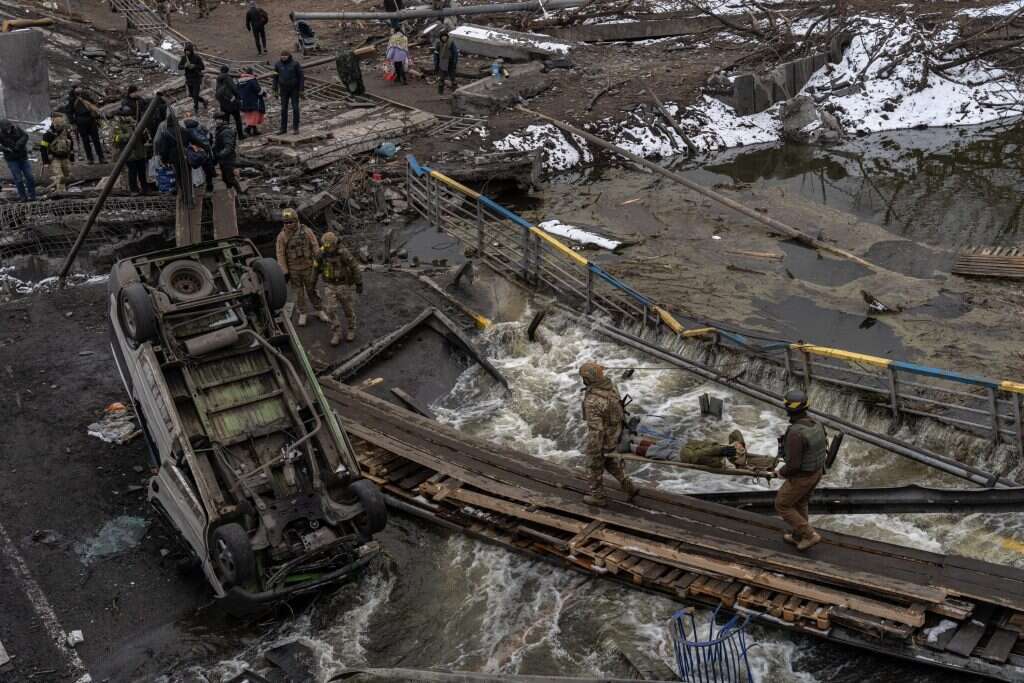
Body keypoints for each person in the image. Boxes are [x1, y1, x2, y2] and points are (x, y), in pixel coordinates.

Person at [579, 361, 638, 507]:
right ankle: (628, 485)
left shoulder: (592, 401)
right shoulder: (612, 387)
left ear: (587, 379)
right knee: (611, 462)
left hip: (604, 438)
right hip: (616, 434)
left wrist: (594, 451)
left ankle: (598, 497)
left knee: (594, 465)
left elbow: (596, 430)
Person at [774, 389, 827, 551]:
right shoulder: (816, 424)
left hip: (802, 477)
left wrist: (781, 472)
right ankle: (799, 535)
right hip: (816, 472)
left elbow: (794, 465)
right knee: (800, 503)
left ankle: (810, 535)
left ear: (789, 408)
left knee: (782, 504)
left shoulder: (795, 433)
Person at [275, 208, 326, 326]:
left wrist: (319, 262)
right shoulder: (282, 236)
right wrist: (284, 271)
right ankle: (303, 313)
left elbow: (315, 246)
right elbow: (280, 254)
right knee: (298, 294)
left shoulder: (306, 231)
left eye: (290, 222)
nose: (288, 224)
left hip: (308, 267)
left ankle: (319, 310)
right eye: (285, 222)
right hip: (294, 270)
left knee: (312, 290)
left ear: (296, 220)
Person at [315, 231, 363, 345]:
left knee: (348, 309)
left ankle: (351, 328)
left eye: (329, 246)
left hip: (343, 284)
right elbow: (315, 269)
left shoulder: (343, 253)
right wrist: (311, 284)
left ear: (335, 244)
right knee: (330, 309)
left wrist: (359, 283)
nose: (327, 249)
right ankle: (337, 331)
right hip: (330, 285)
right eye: (325, 246)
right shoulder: (321, 253)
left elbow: (355, 267)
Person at [632, 430, 748, 468]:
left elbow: (698, 456)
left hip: (684, 455)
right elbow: (735, 433)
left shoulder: (719, 462)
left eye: (739, 449)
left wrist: (719, 451)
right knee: (659, 443)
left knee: (655, 451)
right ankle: (633, 439)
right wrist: (737, 444)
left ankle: (629, 446)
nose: (739, 447)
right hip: (687, 446)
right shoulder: (726, 449)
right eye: (738, 446)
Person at [111, 106, 150, 194]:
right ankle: (134, 189)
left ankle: (145, 188)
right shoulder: (117, 126)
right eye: (126, 115)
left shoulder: (136, 123)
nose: (128, 117)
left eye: (129, 115)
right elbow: (115, 139)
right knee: (132, 172)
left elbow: (145, 136)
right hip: (128, 153)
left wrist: (144, 133)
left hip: (140, 152)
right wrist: (129, 135)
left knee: (142, 172)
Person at [65, 86, 105, 164]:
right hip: (81, 120)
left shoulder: (85, 96)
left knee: (95, 140)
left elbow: (94, 104)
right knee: (86, 140)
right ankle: (91, 158)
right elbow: (69, 112)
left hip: (90, 119)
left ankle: (100, 157)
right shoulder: (72, 99)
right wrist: (73, 122)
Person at [0, 119, 37, 201]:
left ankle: (33, 196)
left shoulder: (17, 129)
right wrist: (4, 149)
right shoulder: (1, 134)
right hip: (11, 160)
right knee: (18, 179)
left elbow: (25, 136)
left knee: (30, 177)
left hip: (23, 157)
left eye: (8, 127)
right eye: (6, 129)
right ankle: (23, 197)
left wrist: (18, 145)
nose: (8, 130)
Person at [181, 110, 215, 192]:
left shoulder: (187, 132)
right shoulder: (200, 127)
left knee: (198, 168)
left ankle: (200, 183)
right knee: (208, 169)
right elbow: (209, 135)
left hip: (198, 152)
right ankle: (210, 184)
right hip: (206, 150)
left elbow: (186, 143)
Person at [39, 114, 75, 192]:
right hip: (54, 158)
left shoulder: (65, 133)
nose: (58, 128)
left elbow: (71, 144)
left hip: (65, 157)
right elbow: (43, 148)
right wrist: (46, 162)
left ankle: (66, 189)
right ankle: (61, 192)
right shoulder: (48, 135)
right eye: (57, 126)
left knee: (68, 176)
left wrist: (72, 158)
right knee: (60, 176)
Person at [272, 51, 304, 135]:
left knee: (295, 108)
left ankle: (295, 128)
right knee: (283, 109)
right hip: (283, 90)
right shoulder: (277, 65)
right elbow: (275, 78)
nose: (283, 57)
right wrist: (274, 90)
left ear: (289, 56)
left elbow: (301, 77)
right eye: (282, 55)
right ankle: (283, 129)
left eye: (285, 55)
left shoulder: (295, 64)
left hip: (294, 90)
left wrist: (301, 89)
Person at [212, 112, 243, 194]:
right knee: (226, 178)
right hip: (224, 159)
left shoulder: (226, 132)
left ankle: (240, 193)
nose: (215, 122)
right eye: (215, 120)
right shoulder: (220, 129)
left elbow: (228, 147)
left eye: (217, 120)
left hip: (227, 159)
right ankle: (230, 191)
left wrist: (220, 155)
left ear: (222, 120)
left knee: (230, 178)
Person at [215, 65, 245, 140]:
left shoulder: (218, 79)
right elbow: (234, 88)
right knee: (237, 119)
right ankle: (241, 135)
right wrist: (239, 97)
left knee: (226, 121)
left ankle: (227, 137)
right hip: (232, 103)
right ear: (227, 71)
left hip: (223, 104)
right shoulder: (228, 78)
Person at [178, 43, 208, 113]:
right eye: (186, 51)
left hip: (196, 78)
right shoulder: (184, 58)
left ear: (191, 51)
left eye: (188, 51)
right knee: (191, 95)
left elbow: (202, 67)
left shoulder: (197, 57)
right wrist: (184, 66)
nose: (187, 52)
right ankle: (203, 100)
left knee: (195, 94)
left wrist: (194, 66)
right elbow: (179, 67)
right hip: (189, 78)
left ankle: (196, 108)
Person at [237, 67, 266, 137]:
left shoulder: (239, 81)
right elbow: (258, 90)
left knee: (249, 115)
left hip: (244, 101)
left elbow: (237, 91)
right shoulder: (252, 80)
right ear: (251, 73)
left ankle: (254, 130)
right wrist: (264, 93)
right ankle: (248, 129)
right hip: (254, 100)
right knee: (254, 115)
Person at [433, 30, 458, 95]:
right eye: (442, 37)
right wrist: (436, 63)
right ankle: (440, 92)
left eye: (445, 36)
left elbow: (455, 53)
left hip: (450, 62)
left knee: (452, 77)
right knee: (441, 77)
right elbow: (436, 54)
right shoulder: (438, 44)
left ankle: (455, 91)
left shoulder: (451, 43)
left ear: (447, 37)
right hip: (442, 62)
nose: (444, 38)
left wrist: (454, 62)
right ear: (440, 37)